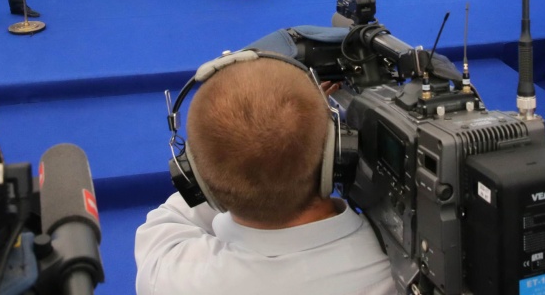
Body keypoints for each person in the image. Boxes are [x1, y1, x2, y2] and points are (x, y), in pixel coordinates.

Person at [134, 56, 396, 295]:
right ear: (337, 151)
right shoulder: (393, 274)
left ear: (197, 178)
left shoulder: (168, 277)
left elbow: (171, 217)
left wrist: (224, 163)